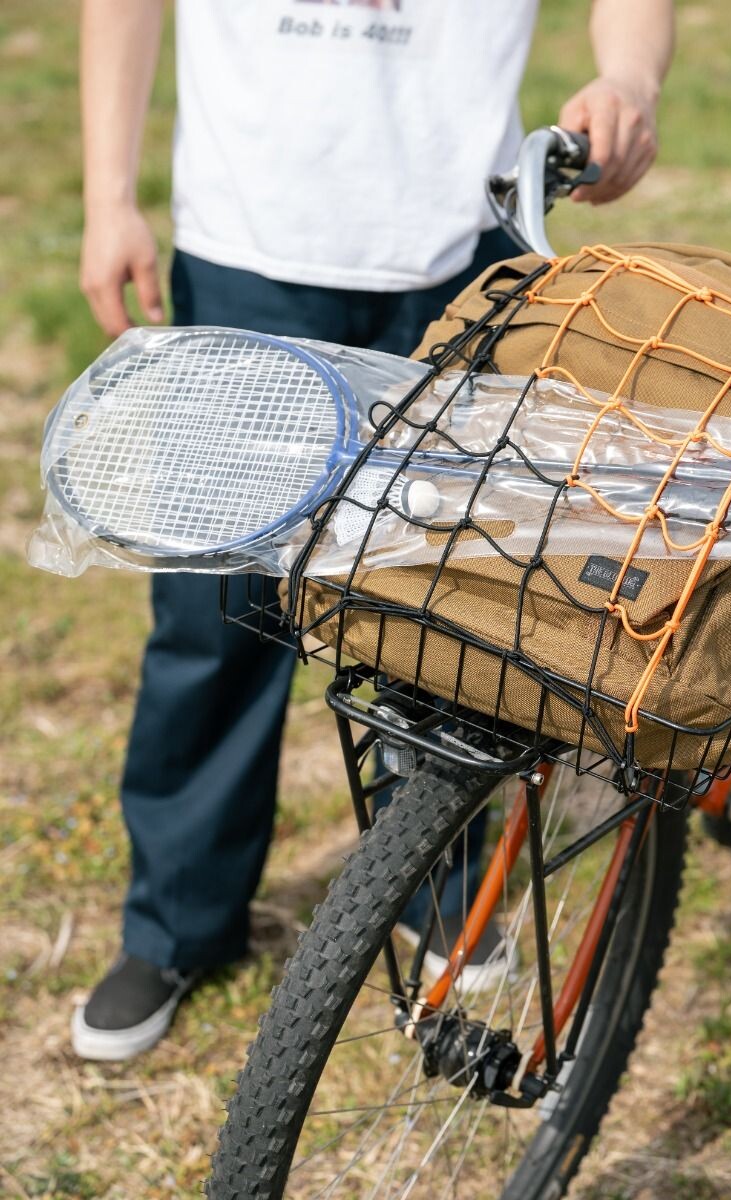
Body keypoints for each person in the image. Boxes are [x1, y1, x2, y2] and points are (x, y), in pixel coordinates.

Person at [72, 0, 674, 1062]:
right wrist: (106, 196)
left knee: (442, 601)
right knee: (217, 617)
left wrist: (629, 80)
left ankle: (433, 883)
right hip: (247, 244)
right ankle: (174, 922)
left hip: (460, 249)